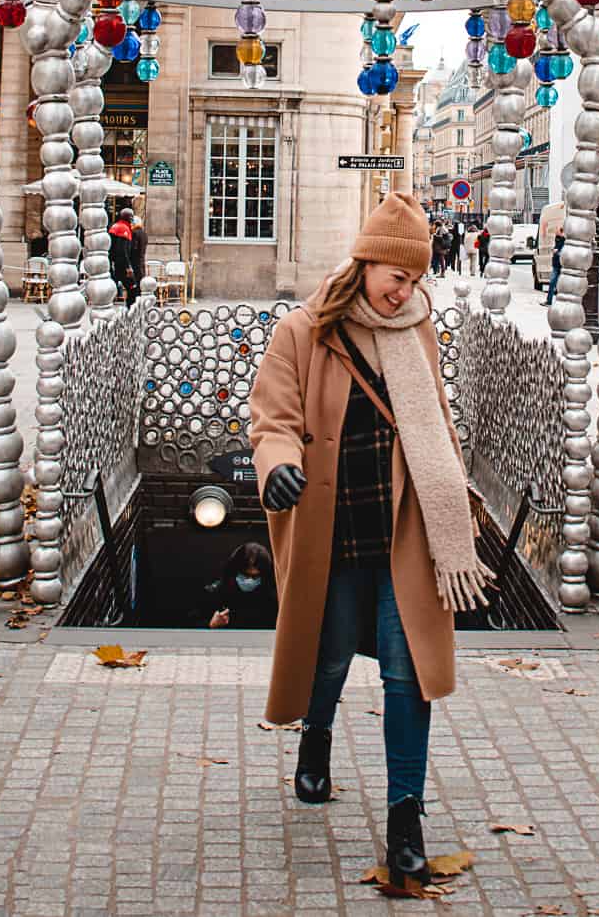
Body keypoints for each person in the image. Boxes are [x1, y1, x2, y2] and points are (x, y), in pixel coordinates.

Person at [249, 193, 489, 889]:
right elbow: (272, 417)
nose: (406, 291)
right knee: (327, 662)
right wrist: (279, 467)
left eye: (415, 280)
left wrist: (452, 500)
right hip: (333, 526)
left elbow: (435, 421)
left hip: (404, 527)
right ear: (369, 262)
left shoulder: (417, 330)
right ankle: (316, 737)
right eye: (397, 276)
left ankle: (405, 817)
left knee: (405, 669)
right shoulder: (304, 330)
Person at [206, 541, 278, 630]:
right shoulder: (215, 592)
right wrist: (212, 625)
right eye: (245, 574)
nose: (249, 580)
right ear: (234, 570)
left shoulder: (274, 599)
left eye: (255, 576)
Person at [108, 208, 137, 306]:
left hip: (113, 262)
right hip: (121, 264)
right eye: (131, 217)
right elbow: (122, 250)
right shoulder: (124, 229)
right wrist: (128, 266)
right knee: (132, 287)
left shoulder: (114, 226)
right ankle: (130, 309)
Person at [543, 230, 565, 306]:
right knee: (552, 283)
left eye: (558, 231)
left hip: (561, 265)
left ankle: (559, 302)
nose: (556, 232)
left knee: (559, 284)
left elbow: (563, 252)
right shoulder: (557, 239)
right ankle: (549, 301)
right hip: (556, 264)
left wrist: (557, 251)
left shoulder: (565, 240)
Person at [130, 213, 148, 287]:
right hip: (141, 260)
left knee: (136, 283)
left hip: (135, 261)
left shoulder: (134, 233)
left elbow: (134, 247)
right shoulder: (144, 233)